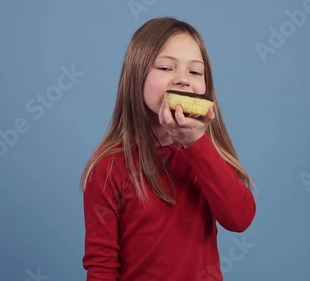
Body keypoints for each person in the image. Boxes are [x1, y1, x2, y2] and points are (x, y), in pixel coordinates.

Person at [80, 17, 257, 281]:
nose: (183, 80)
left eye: (195, 72)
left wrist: (197, 144)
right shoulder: (108, 166)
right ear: (136, 76)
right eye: (165, 67)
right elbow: (101, 265)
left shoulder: (208, 155)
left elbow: (239, 218)